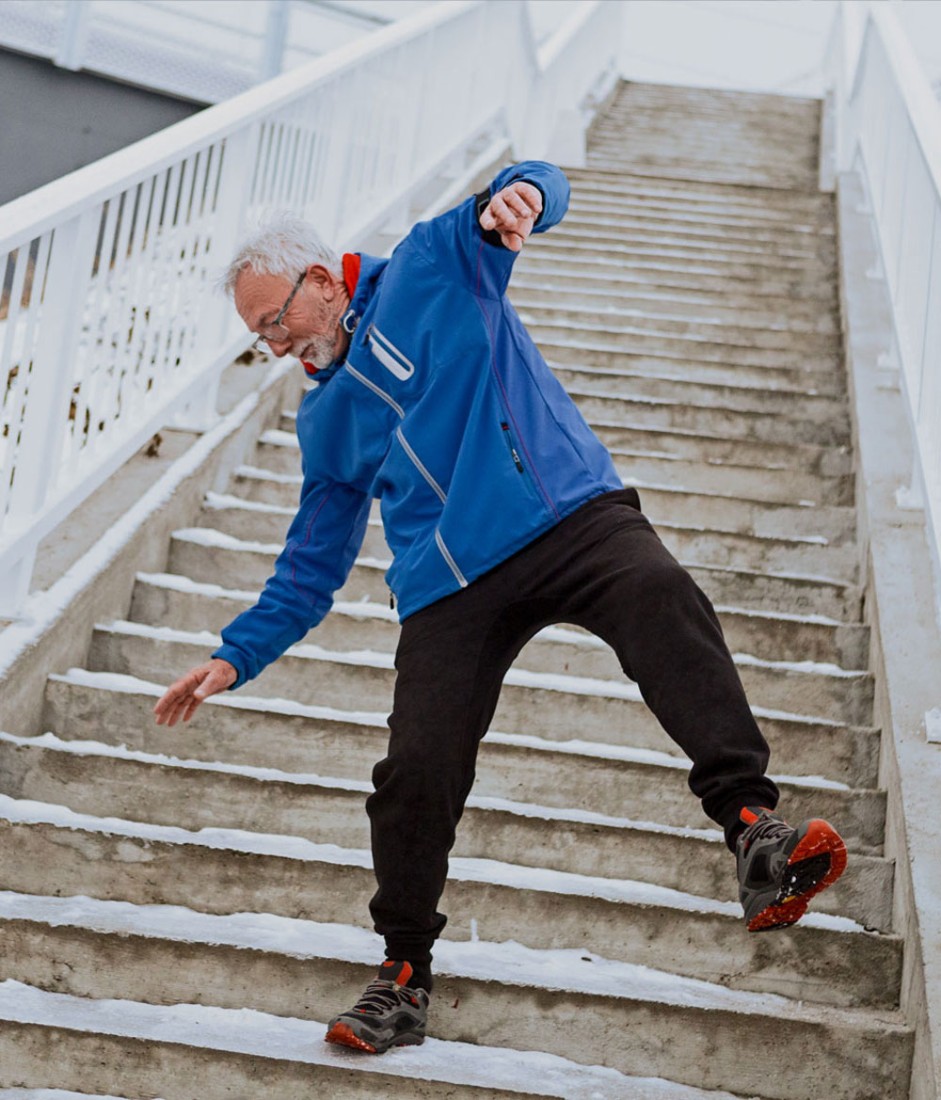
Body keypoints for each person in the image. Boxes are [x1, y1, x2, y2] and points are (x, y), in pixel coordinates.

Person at [153, 161, 848, 1055]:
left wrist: (522, 196)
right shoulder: (326, 421)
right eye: (259, 339)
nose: (277, 347)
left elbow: (525, 188)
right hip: (450, 583)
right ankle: (402, 974)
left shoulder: (430, 264)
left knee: (662, 596)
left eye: (274, 322)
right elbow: (310, 563)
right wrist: (236, 654)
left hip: (563, 511)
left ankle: (755, 832)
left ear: (321, 281)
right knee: (414, 768)